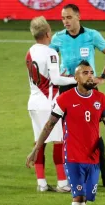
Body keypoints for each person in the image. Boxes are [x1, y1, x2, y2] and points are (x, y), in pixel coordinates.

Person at [26, 60, 105, 205]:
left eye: (91, 72)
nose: (90, 75)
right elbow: (49, 125)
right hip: (73, 157)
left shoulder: (101, 98)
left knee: (82, 201)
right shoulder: (65, 99)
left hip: (93, 159)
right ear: (75, 78)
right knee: (78, 197)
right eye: (85, 73)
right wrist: (36, 149)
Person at [50, 3, 105, 188]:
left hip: (89, 88)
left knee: (94, 133)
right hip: (67, 89)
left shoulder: (91, 35)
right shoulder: (58, 38)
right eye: (63, 18)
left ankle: (104, 175)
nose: (65, 21)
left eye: (69, 17)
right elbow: (49, 57)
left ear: (78, 17)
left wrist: (102, 76)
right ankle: (74, 175)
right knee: (69, 134)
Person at [26, 16, 76, 192]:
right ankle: (62, 183)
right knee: (58, 141)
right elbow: (55, 79)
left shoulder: (30, 51)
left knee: (39, 142)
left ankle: (41, 183)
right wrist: (74, 79)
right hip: (48, 103)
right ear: (48, 33)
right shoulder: (51, 52)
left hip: (33, 102)